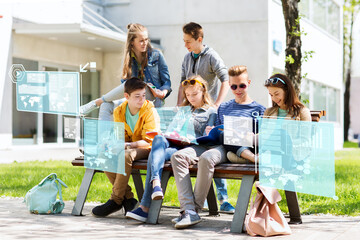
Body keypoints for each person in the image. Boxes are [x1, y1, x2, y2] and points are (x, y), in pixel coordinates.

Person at [170, 65, 265, 229]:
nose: (237, 90)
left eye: (241, 85)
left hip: (236, 150)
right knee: (177, 156)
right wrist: (211, 130)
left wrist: (245, 136)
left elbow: (260, 139)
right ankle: (189, 210)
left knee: (207, 158)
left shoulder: (258, 109)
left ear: (248, 83)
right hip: (219, 144)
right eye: (233, 86)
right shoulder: (224, 107)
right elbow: (218, 132)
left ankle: (193, 210)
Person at [125, 76, 217, 222]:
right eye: (188, 95)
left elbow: (211, 138)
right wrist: (167, 133)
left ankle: (145, 208)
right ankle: (156, 183)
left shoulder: (211, 112)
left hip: (190, 148)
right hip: (174, 144)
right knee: (158, 139)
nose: (191, 98)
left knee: (154, 156)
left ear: (203, 92)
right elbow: (172, 130)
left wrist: (201, 136)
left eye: (194, 94)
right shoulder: (183, 110)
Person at [177, 22, 233, 212]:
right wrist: (180, 106)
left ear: (199, 39)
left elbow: (225, 79)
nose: (186, 45)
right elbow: (182, 83)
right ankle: (206, 200)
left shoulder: (211, 56)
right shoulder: (187, 58)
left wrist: (216, 104)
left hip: (208, 110)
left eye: (189, 42)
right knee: (194, 147)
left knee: (211, 148)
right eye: (184, 41)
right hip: (192, 109)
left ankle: (223, 198)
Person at [91, 77, 160, 217]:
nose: (142, 100)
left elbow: (149, 141)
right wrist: (111, 145)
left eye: (143, 95)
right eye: (137, 97)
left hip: (148, 149)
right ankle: (128, 199)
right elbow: (120, 137)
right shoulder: (119, 111)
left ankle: (116, 200)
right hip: (129, 147)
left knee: (125, 155)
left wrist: (127, 145)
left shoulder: (149, 111)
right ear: (126, 96)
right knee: (103, 154)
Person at [80, 23, 172, 119]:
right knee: (106, 105)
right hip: (133, 99)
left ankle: (98, 101)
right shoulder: (128, 60)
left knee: (131, 84)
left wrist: (163, 92)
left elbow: (167, 82)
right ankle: (104, 133)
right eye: (141, 41)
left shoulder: (157, 55)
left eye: (146, 39)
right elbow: (125, 89)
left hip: (152, 98)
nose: (145, 43)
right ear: (132, 42)